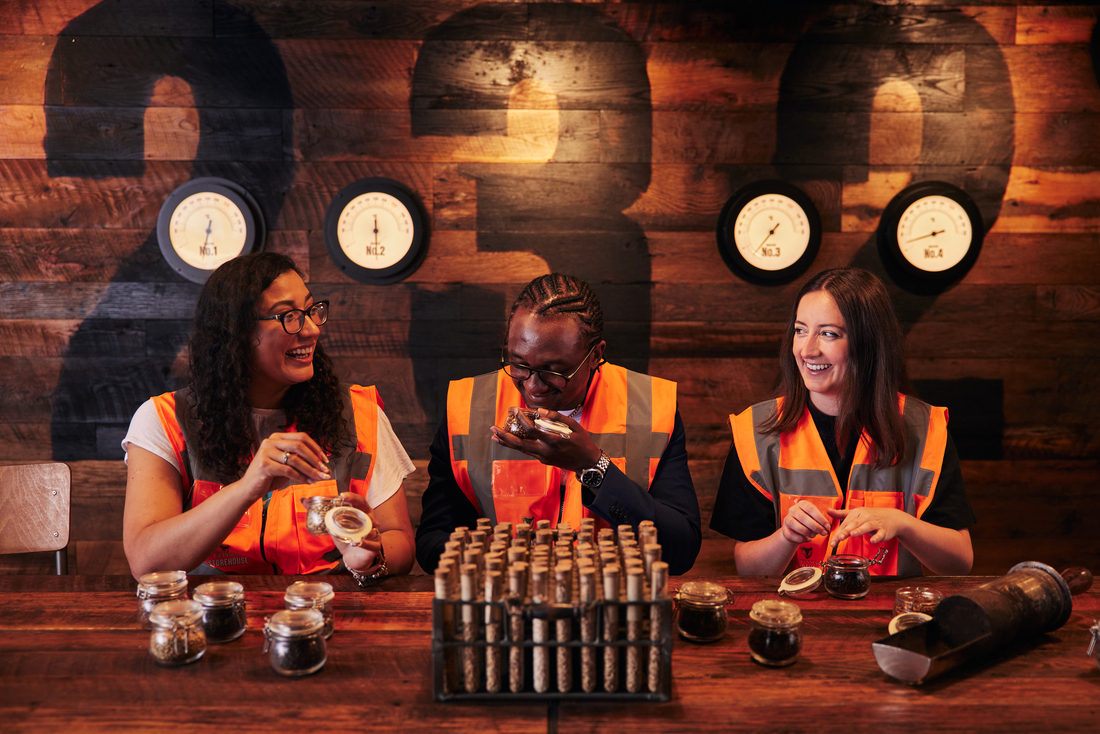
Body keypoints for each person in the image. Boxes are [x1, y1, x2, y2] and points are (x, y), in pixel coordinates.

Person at [122, 253, 415, 580]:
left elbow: (400, 539)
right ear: (236, 333)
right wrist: (247, 488)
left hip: (330, 610)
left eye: (311, 310)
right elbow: (146, 561)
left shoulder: (360, 411)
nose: (311, 329)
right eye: (288, 315)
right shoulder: (164, 419)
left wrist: (370, 557)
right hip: (213, 614)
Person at [415, 273, 701, 575]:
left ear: (596, 355)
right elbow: (433, 540)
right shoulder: (467, 405)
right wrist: (504, 571)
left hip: (612, 606)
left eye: (554, 370)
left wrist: (595, 467)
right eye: (518, 363)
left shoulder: (653, 406)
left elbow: (680, 550)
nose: (533, 386)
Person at [711, 268, 975, 577]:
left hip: (892, 620)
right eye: (800, 330)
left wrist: (902, 524)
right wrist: (786, 537)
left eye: (828, 333)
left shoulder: (925, 429)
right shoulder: (756, 431)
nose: (807, 350)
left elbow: (960, 562)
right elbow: (747, 568)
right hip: (792, 617)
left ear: (869, 343)